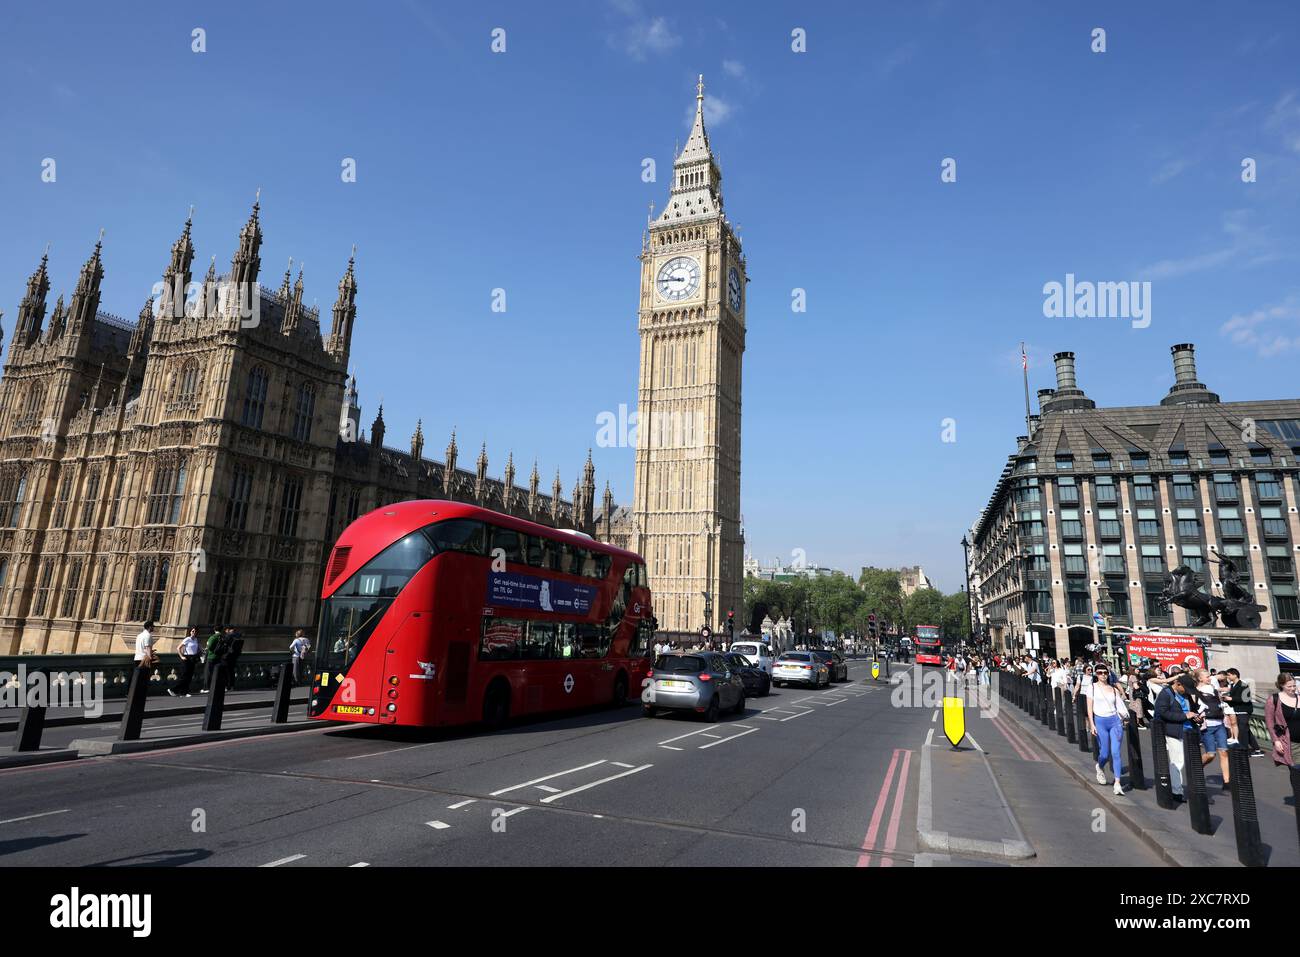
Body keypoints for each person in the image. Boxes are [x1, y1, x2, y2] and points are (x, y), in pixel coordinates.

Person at [1154, 674, 1202, 801]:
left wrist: (1196, 717)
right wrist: (1185, 716)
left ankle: (1193, 790)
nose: (1187, 692)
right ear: (1178, 684)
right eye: (1185, 689)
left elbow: (1191, 709)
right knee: (1178, 760)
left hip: (1190, 731)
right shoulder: (1166, 694)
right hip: (1174, 731)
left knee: (1191, 761)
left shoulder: (1186, 694)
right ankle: (1177, 791)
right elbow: (1162, 713)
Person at [1086, 664, 1127, 795]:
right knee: (1104, 753)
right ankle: (1100, 766)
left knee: (1115, 752)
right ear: (1096, 674)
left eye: (1105, 672)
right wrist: (1092, 724)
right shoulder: (1092, 688)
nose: (1103, 675)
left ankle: (1117, 783)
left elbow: (1119, 705)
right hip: (1100, 721)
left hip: (1115, 721)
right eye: (1099, 672)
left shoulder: (1114, 689)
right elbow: (1089, 708)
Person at [1193, 668, 1231, 790]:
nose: (1209, 678)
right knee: (1210, 755)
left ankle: (1227, 781)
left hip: (1219, 723)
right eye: (1207, 676)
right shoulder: (1196, 692)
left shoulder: (1214, 690)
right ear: (1200, 679)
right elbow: (1195, 708)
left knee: (1224, 752)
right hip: (1207, 724)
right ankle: (1197, 768)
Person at [1224, 668, 1265, 756]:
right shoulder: (1232, 685)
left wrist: (1231, 698)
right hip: (1237, 710)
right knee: (1245, 730)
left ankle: (1243, 750)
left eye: (1229, 675)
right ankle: (1256, 749)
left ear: (1235, 675)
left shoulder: (1243, 685)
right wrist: (1226, 699)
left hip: (1244, 710)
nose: (1228, 676)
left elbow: (1246, 699)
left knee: (1242, 729)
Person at [1264, 673, 1300, 768]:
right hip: (1291, 743)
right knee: (1296, 771)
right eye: (1289, 686)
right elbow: (1269, 722)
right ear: (1281, 685)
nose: (1293, 688)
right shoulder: (1274, 699)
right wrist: (1276, 740)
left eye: (1294, 685)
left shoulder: (1299, 697)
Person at [169, 627, 201, 697]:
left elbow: (197, 649)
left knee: (189, 676)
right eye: (192, 631)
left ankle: (184, 692)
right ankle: (173, 689)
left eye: (195, 631)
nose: (194, 633)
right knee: (184, 676)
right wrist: (182, 656)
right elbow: (178, 648)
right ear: (190, 632)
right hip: (187, 658)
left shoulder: (196, 639)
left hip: (193, 658)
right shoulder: (187, 639)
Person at [130, 620, 157, 689]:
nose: (153, 628)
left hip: (137, 658)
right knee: (143, 678)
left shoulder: (139, 635)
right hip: (144, 659)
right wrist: (150, 657)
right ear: (149, 627)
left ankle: (131, 692)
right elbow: (147, 647)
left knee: (136, 677)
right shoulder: (148, 636)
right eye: (153, 627)